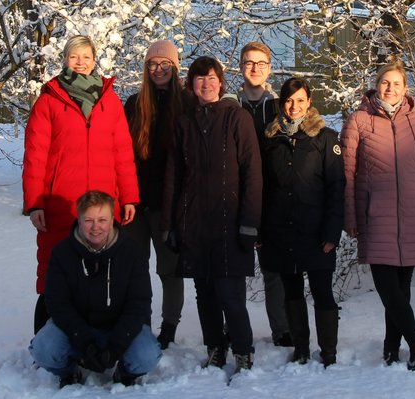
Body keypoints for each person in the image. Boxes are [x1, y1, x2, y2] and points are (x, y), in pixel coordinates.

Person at [23, 35, 139, 335]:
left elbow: (123, 153)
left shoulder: (109, 100)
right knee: (54, 272)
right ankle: (48, 343)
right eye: (74, 56)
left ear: (94, 59)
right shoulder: (50, 99)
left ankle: (96, 338)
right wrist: (34, 202)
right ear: (64, 59)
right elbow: (35, 155)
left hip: (103, 205)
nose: (80, 62)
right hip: (61, 202)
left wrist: (128, 197)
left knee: (102, 273)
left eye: (86, 56)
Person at [341, 61, 415, 371]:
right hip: (376, 217)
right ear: (376, 85)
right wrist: (351, 216)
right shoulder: (359, 120)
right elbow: (347, 173)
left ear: (405, 88)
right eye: (385, 82)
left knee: (401, 290)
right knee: (388, 288)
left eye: (396, 83)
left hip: (414, 216)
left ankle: (391, 347)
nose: (390, 88)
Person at [161, 56, 262, 372]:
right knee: (204, 295)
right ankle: (215, 347)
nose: (205, 84)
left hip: (229, 223)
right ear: (191, 85)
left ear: (221, 81)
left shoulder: (237, 117)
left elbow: (252, 172)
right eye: (199, 79)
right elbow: (173, 176)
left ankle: (243, 351)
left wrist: (249, 222)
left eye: (211, 78)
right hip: (194, 225)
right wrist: (169, 224)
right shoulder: (185, 123)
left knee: (230, 296)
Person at [29, 191, 161, 387]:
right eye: (88, 220)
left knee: (148, 355)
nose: (95, 227)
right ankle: (68, 372)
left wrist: (116, 347)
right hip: (77, 329)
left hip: (118, 327)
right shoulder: (62, 253)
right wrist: (85, 344)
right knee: (44, 349)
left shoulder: (132, 252)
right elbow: (58, 304)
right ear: (79, 219)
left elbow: (139, 303)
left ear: (112, 219)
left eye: (102, 220)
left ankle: (125, 374)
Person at [257, 77, 345, 366]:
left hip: (316, 231)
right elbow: (261, 187)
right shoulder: (269, 139)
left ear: (309, 102)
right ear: (282, 103)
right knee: (291, 293)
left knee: (322, 293)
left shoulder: (325, 138)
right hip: (281, 231)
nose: (294, 106)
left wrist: (332, 231)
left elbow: (336, 188)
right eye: (289, 100)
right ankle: (302, 349)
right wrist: (260, 229)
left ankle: (329, 351)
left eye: (300, 100)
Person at [122, 39, 188, 350]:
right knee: (136, 266)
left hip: (170, 204)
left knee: (169, 268)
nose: (158, 69)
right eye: (153, 64)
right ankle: (140, 321)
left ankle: (170, 326)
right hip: (135, 203)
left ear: (175, 68)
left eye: (165, 64)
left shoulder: (187, 103)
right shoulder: (134, 104)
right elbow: (122, 155)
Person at [237, 41, 290, 348]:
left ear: (269, 68)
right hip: (237, 198)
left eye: (260, 63)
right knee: (235, 270)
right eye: (249, 63)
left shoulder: (280, 108)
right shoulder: (230, 105)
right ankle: (236, 329)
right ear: (241, 67)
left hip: (273, 200)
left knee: (274, 269)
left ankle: (281, 329)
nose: (254, 68)